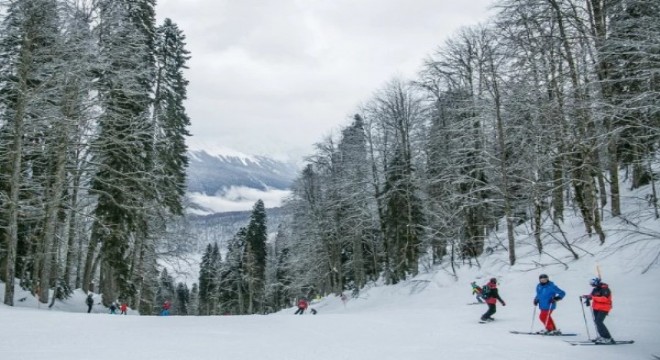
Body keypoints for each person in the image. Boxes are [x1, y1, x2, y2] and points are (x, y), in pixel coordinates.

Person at [582, 277, 614, 344]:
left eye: (592, 284)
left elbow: (604, 299)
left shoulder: (605, 289)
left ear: (596, 283)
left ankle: (608, 338)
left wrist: (593, 297)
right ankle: (602, 336)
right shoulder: (595, 289)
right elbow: (592, 295)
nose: (591, 285)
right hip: (596, 307)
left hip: (604, 307)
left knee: (599, 322)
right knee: (597, 322)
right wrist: (587, 297)